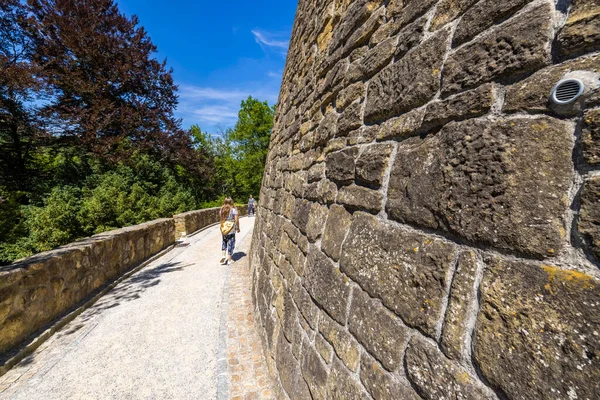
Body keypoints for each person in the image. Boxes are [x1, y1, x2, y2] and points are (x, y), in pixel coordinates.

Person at [220, 197, 240, 265]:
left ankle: (223, 256)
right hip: (231, 229)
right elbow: (236, 220)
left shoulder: (221, 210)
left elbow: (221, 218)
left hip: (224, 228)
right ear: (231, 202)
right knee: (231, 243)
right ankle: (229, 259)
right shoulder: (233, 210)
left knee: (224, 242)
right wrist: (238, 228)